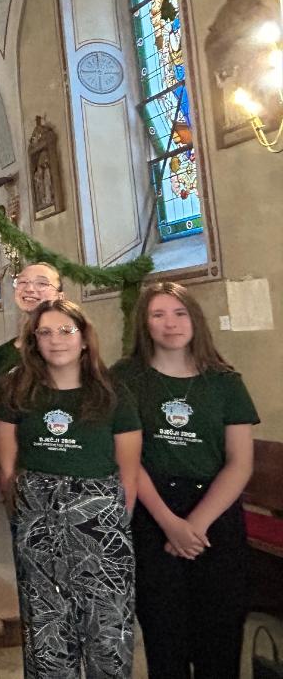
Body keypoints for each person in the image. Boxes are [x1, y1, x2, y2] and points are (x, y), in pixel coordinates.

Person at [113, 282, 258, 678]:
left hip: (214, 512)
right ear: (144, 324)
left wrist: (195, 523)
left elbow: (240, 463)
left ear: (195, 319)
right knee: (165, 634)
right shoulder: (126, 377)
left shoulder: (225, 381)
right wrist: (169, 523)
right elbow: (128, 458)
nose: (170, 323)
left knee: (221, 631)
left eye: (179, 313)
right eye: (157, 315)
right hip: (153, 511)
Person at [0, 300, 141, 679]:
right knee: (47, 630)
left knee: (107, 631)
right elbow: (6, 467)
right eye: (45, 332)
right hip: (38, 522)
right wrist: (27, 514)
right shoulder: (16, 388)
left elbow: (128, 472)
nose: (55, 340)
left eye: (65, 331)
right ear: (34, 341)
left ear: (84, 339)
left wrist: (110, 525)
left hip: (100, 527)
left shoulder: (112, 391)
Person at [0, 263, 63, 475]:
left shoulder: (69, 351)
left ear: (60, 295)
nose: (30, 288)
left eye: (42, 283)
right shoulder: (2, 354)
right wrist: (0, 472)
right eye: (23, 282)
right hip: (17, 466)